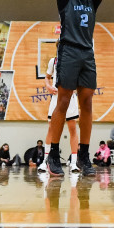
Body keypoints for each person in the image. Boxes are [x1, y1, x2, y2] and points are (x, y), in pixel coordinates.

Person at [38, 0, 110, 178]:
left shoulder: (92, 0)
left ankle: (83, 156)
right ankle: (54, 154)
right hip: (68, 50)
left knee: (87, 103)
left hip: (86, 54)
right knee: (63, 101)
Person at [44, 34, 80, 171]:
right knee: (51, 129)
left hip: (70, 98)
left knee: (72, 129)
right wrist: (48, 86)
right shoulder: (53, 61)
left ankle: (74, 163)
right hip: (56, 98)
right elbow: (47, 78)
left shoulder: (75, 61)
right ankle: (46, 161)